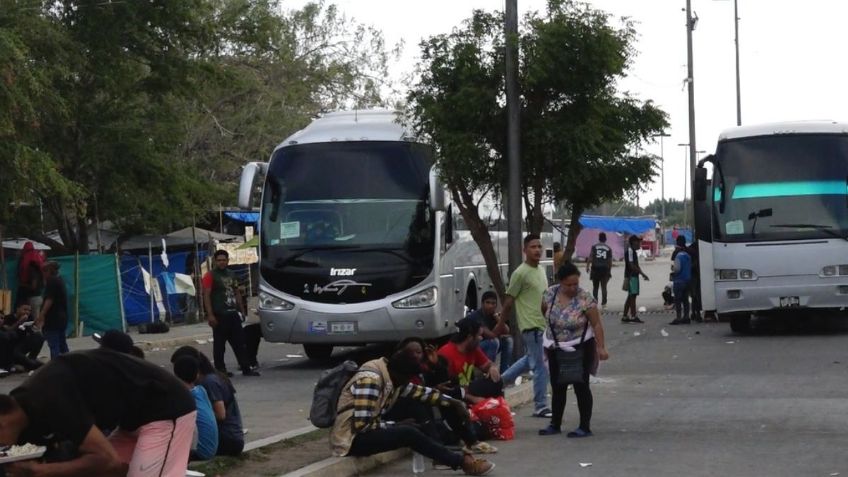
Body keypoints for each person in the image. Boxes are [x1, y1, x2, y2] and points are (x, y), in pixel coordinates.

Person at [0, 348, 196, 477]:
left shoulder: (51, 399)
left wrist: (42, 470)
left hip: (166, 410)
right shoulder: (23, 405)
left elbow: (105, 458)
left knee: (105, 464)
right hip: (131, 421)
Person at [330, 340, 495, 476]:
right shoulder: (371, 380)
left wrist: (454, 403)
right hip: (350, 440)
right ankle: (461, 462)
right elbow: (361, 425)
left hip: (365, 431)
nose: (406, 384)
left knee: (417, 416)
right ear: (400, 375)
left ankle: (458, 449)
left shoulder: (391, 376)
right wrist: (396, 425)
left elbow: (422, 393)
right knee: (408, 432)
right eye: (406, 380)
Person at [538, 263, 610, 438]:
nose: (572, 288)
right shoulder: (550, 294)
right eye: (568, 284)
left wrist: (601, 347)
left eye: (575, 284)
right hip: (556, 347)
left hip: (580, 347)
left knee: (581, 385)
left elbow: (596, 324)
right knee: (557, 385)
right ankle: (555, 423)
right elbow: (544, 312)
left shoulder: (585, 298)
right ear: (560, 282)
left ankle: (584, 426)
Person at [499, 234, 552, 419]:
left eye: (539, 246)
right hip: (531, 326)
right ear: (525, 250)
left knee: (530, 359)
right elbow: (508, 301)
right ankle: (540, 406)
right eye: (533, 247)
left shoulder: (541, 270)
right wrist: (500, 325)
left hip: (542, 324)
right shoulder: (520, 273)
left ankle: (498, 381)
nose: (537, 250)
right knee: (540, 367)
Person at [171, 346, 245, 456]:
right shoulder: (206, 382)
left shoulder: (209, 382)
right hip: (229, 437)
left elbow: (221, 415)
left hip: (228, 439)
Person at [202, 250, 259, 377]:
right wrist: (210, 315)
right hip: (219, 314)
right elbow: (206, 295)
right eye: (219, 260)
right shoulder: (210, 276)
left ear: (228, 261)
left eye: (224, 260)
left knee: (240, 343)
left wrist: (242, 310)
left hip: (233, 314)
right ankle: (221, 370)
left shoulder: (231, 274)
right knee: (219, 345)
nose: (222, 262)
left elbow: (236, 292)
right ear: (215, 261)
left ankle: (246, 367)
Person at [438, 318, 502, 404]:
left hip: (467, 388)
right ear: (470, 337)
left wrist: (492, 368)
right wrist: (472, 398)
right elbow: (447, 389)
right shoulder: (447, 354)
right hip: (454, 395)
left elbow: (487, 365)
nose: (481, 338)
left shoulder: (473, 349)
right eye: (479, 335)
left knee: (496, 380)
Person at [173, 355, 219, 461]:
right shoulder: (201, 390)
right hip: (212, 448)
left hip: (200, 451)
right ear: (197, 374)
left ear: (175, 375)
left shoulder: (182, 396)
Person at [36, 261, 69, 357]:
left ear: (49, 271)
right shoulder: (59, 280)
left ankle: (56, 367)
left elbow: (49, 300)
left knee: (54, 346)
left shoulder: (52, 281)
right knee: (62, 345)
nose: (43, 274)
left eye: (44, 271)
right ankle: (69, 365)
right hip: (62, 318)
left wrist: (41, 315)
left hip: (53, 319)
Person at [1, 303, 44, 371]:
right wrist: (20, 322)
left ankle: (32, 358)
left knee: (39, 336)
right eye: (25, 309)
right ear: (18, 309)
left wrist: (36, 326)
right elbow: (7, 332)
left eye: (29, 310)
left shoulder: (29, 317)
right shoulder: (8, 318)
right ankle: (28, 363)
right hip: (11, 350)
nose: (27, 312)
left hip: (21, 347)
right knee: (34, 365)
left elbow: (32, 333)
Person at [465, 292, 500, 363]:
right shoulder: (477, 316)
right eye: (487, 302)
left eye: (493, 303)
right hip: (470, 347)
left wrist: (497, 318)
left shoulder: (493, 315)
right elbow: (490, 336)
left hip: (482, 343)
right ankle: (488, 371)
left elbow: (507, 330)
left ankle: (505, 373)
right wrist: (499, 331)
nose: (490, 306)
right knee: (493, 342)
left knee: (508, 340)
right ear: (482, 303)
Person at [621, 236, 649, 324]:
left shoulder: (632, 251)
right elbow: (631, 265)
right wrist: (642, 273)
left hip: (632, 276)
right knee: (633, 296)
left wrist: (641, 273)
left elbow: (635, 265)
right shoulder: (630, 251)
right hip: (631, 276)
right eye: (638, 242)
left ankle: (625, 316)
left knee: (630, 296)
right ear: (633, 242)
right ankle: (633, 316)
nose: (639, 244)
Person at [669, 235, 692, 325]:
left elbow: (677, 269)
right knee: (685, 299)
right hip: (688, 280)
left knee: (678, 300)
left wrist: (673, 269)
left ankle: (678, 317)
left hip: (679, 281)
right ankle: (686, 316)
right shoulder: (687, 255)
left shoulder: (678, 256)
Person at [15, 242, 45, 312]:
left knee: (34, 320)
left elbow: (33, 286)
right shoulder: (40, 266)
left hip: (32, 298)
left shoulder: (31, 267)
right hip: (38, 296)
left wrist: (23, 285)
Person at [586, 232, 613, 308]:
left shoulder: (594, 247)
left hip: (595, 269)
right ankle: (604, 304)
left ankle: (595, 302)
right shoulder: (608, 248)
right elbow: (610, 261)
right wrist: (609, 271)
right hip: (605, 269)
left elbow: (591, 257)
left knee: (595, 287)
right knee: (604, 287)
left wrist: (587, 266)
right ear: (605, 239)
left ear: (599, 238)